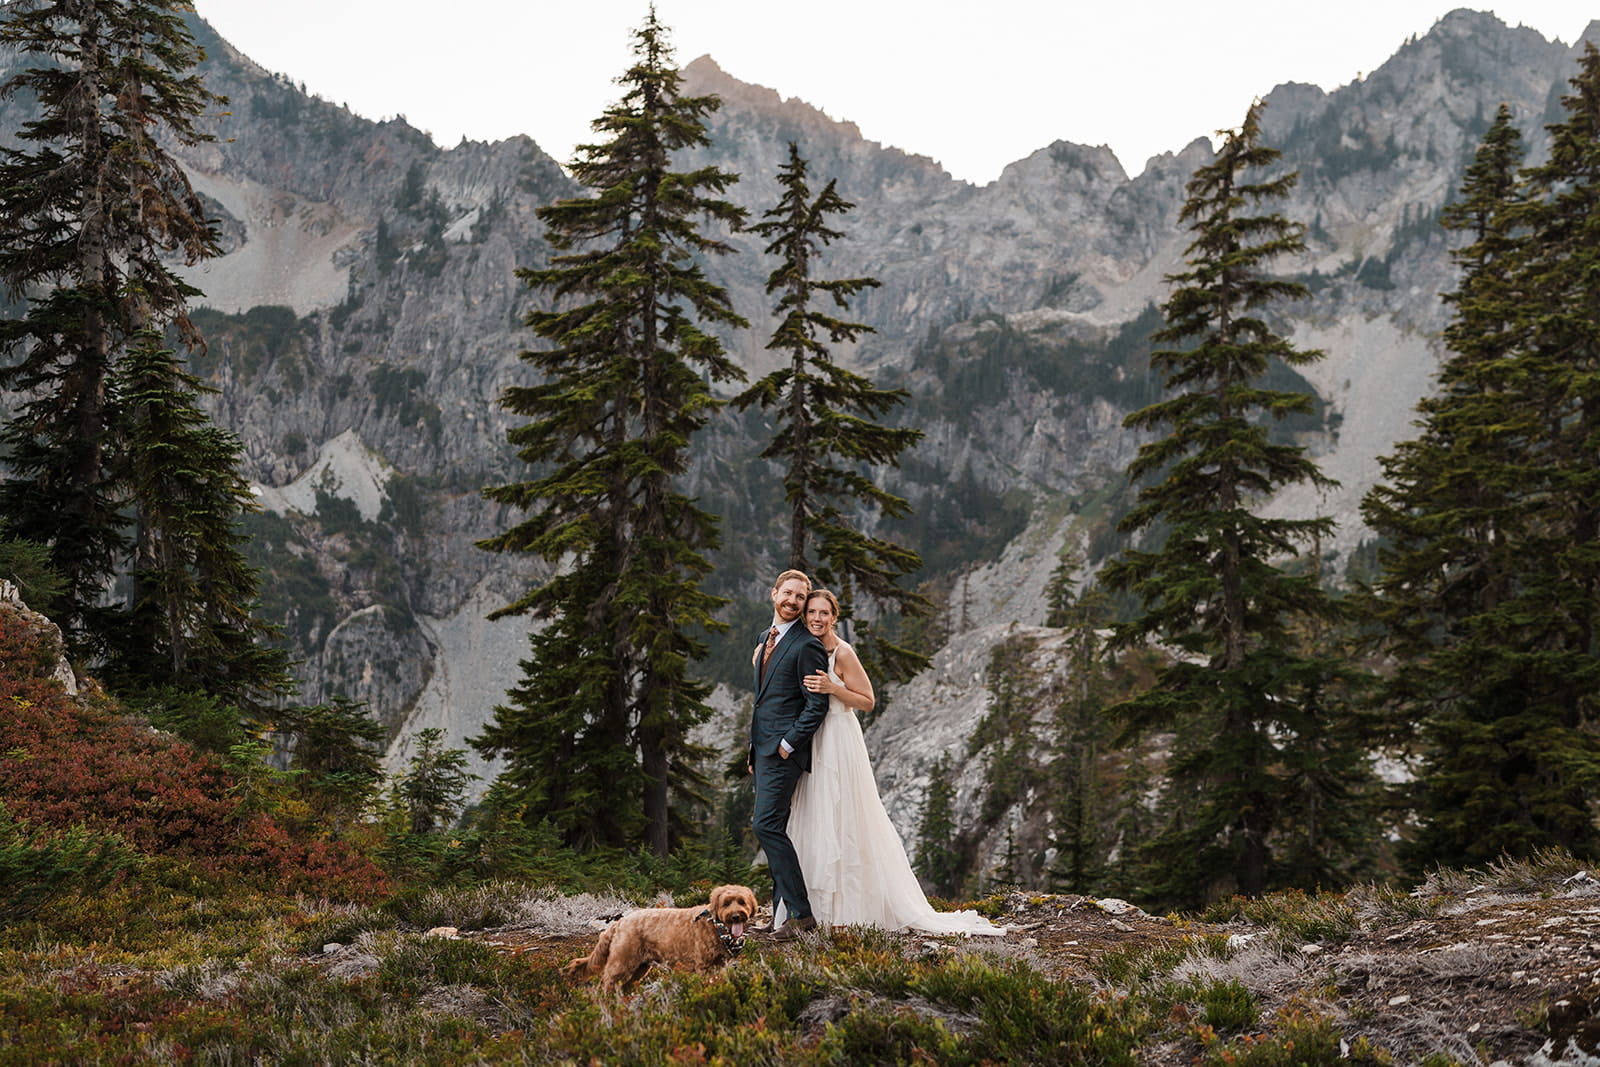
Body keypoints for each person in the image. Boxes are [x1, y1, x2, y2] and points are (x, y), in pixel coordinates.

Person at [777, 588, 1004, 937]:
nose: (816, 619)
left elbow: (867, 700)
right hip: (814, 740)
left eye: (824, 613)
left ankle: (848, 909)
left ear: (834, 617)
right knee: (814, 816)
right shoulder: (805, 647)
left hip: (838, 738)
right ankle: (813, 908)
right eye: (812, 612)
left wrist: (832, 687)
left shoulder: (843, 652)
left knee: (845, 817)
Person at [747, 569, 831, 941]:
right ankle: (780, 914)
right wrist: (755, 749)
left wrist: (786, 745)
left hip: (784, 753)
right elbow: (763, 703)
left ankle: (801, 914)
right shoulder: (767, 637)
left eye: (801, 597)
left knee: (765, 825)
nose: (794, 601)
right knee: (774, 827)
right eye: (789, 594)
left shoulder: (806, 644)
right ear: (774, 593)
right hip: (763, 751)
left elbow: (817, 706)